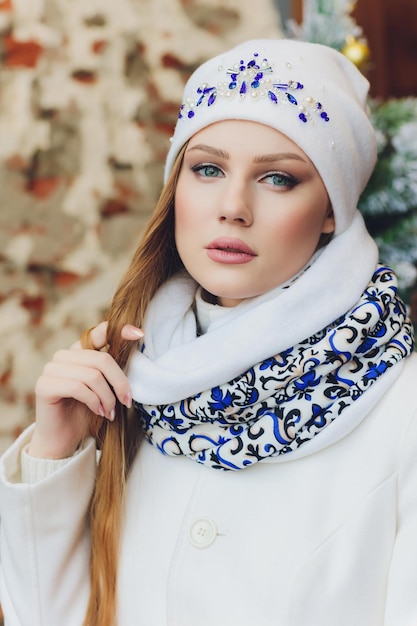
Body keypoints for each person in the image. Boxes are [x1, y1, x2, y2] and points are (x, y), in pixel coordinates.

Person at [0, 38, 416, 626]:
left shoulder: (402, 413)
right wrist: (54, 454)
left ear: (332, 210)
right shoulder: (133, 379)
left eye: (277, 178)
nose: (232, 206)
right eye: (208, 168)